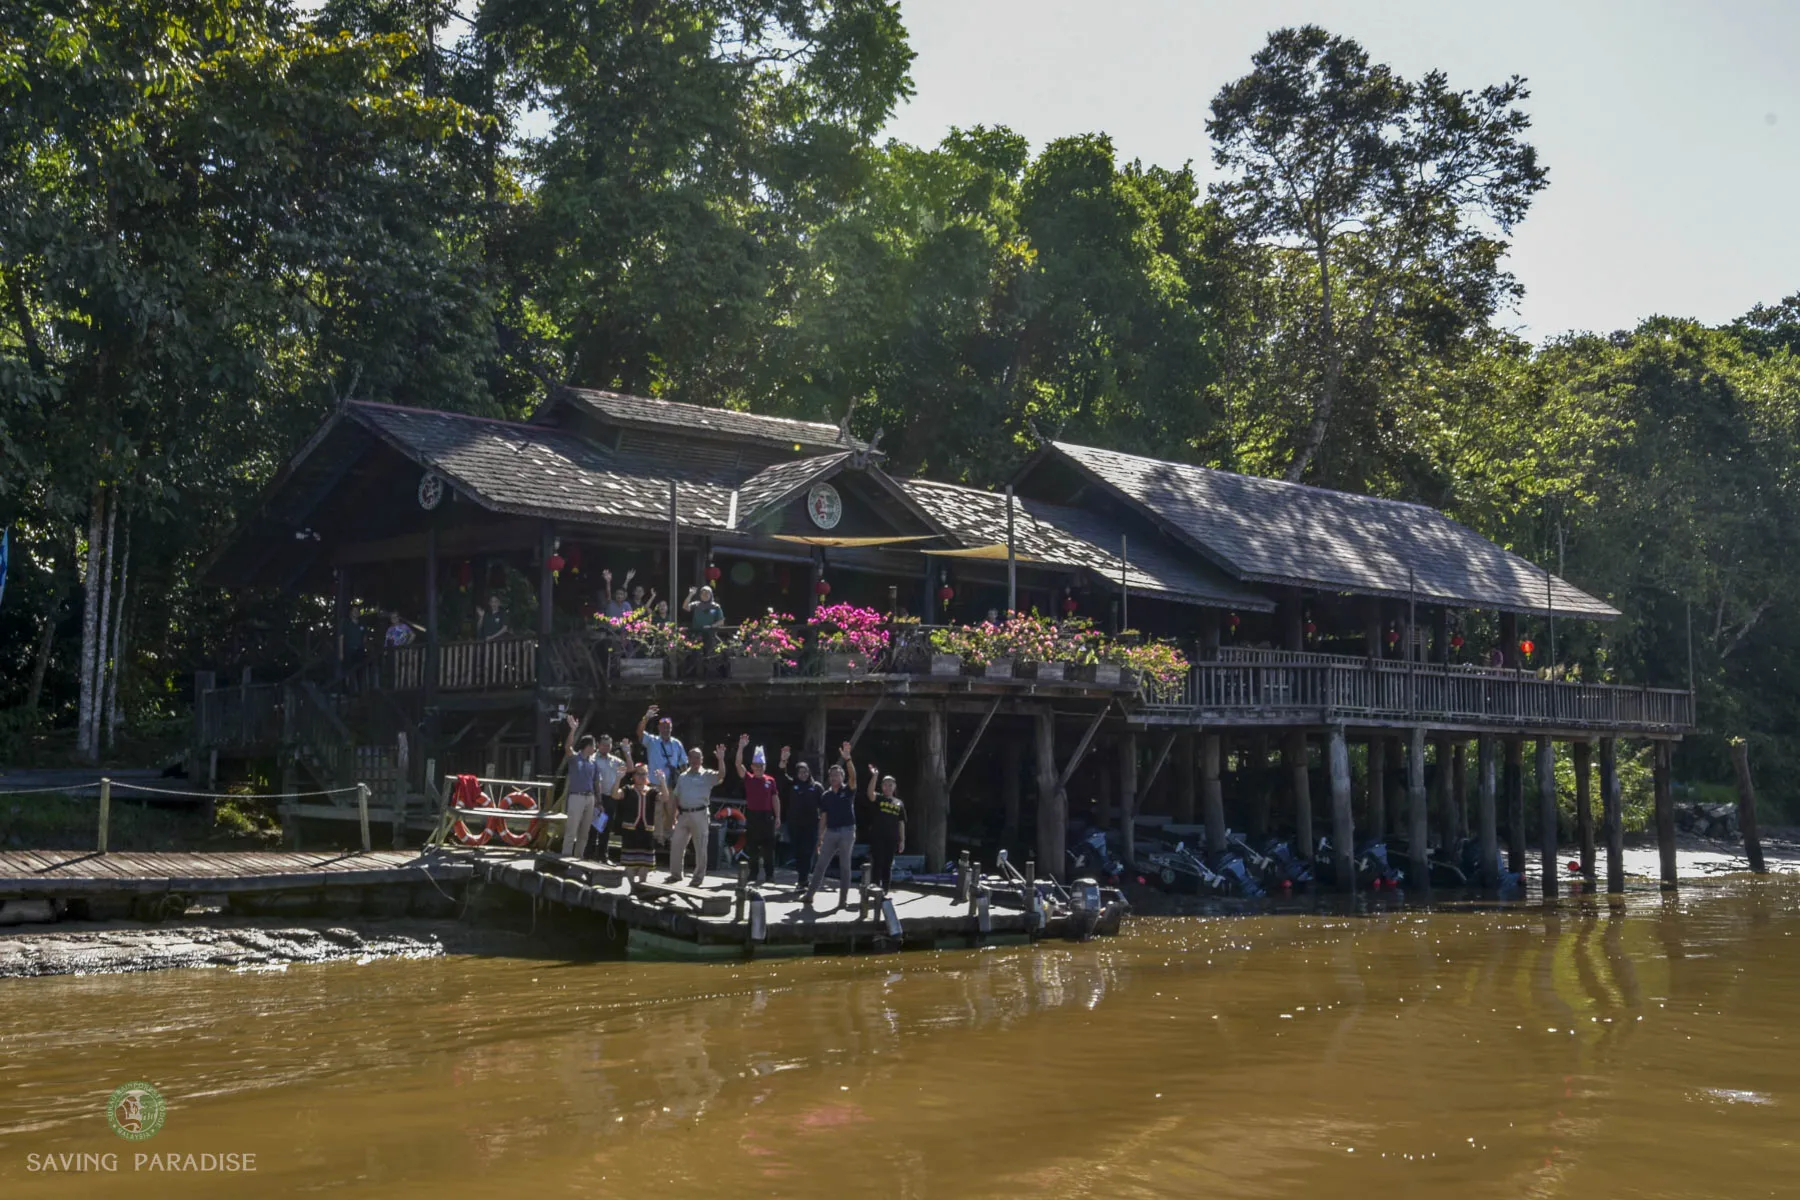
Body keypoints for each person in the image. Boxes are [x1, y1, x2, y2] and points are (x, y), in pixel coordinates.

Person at [802, 742, 858, 909]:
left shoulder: (848, 790)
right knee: (821, 864)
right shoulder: (826, 795)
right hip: (831, 832)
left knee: (845, 866)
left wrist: (848, 760)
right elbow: (823, 817)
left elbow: (854, 777)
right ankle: (809, 895)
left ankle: (843, 900)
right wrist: (820, 837)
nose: (834, 778)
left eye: (837, 775)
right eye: (831, 775)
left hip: (847, 831)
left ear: (842, 777)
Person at [667, 743, 727, 886]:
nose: (694, 760)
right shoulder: (682, 776)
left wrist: (720, 759)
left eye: (697, 757)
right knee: (676, 844)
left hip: (699, 814)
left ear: (702, 759)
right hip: (683, 814)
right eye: (692, 757)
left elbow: (721, 775)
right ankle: (675, 875)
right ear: (688, 759)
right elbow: (675, 796)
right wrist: (672, 815)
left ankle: (698, 878)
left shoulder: (707, 775)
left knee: (700, 847)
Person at [734, 734, 781, 886]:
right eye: (756, 765)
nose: (759, 768)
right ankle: (753, 874)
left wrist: (778, 816)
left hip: (767, 817)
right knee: (752, 847)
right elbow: (738, 764)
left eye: (761, 766)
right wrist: (741, 747)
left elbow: (775, 798)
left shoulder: (770, 780)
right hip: (753, 816)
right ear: (752, 766)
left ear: (764, 766)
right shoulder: (748, 778)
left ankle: (769, 875)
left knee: (769, 848)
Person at [559, 716, 604, 858]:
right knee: (571, 830)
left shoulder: (593, 763)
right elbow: (567, 748)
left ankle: (578, 858)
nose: (595, 748)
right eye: (594, 745)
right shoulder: (575, 758)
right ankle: (566, 857)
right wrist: (573, 730)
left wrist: (599, 801)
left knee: (584, 832)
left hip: (590, 798)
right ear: (588, 746)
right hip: (576, 796)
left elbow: (597, 783)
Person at [610, 758, 661, 883]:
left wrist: (663, 781)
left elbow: (665, 797)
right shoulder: (628, 789)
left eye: (644, 773)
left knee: (645, 861)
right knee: (630, 860)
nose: (642, 776)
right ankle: (632, 885)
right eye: (639, 773)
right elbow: (615, 795)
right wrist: (618, 778)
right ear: (633, 776)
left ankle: (642, 885)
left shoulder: (652, 791)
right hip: (630, 829)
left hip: (646, 829)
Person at [779, 746, 821, 887]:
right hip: (794, 825)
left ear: (809, 772)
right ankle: (801, 876)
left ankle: (804, 879)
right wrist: (783, 760)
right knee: (798, 852)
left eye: (805, 772)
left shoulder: (817, 787)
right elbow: (781, 775)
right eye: (800, 772)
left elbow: (824, 807)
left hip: (811, 826)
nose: (803, 774)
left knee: (807, 852)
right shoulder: (792, 785)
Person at [864, 762, 907, 891]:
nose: (888, 787)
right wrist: (875, 776)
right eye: (885, 784)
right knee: (877, 862)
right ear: (882, 786)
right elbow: (870, 794)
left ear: (895, 787)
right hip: (878, 836)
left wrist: (902, 840)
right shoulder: (879, 798)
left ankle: (886, 889)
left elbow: (901, 822)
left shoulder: (899, 803)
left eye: (890, 784)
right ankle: (875, 887)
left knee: (888, 864)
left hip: (892, 838)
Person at [636, 705, 686, 790]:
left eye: (668, 727)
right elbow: (639, 732)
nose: (666, 729)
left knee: (671, 803)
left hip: (671, 786)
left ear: (671, 728)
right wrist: (646, 718)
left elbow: (683, 765)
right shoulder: (652, 741)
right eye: (663, 727)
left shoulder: (677, 743)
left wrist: (685, 783)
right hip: (654, 785)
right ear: (659, 728)